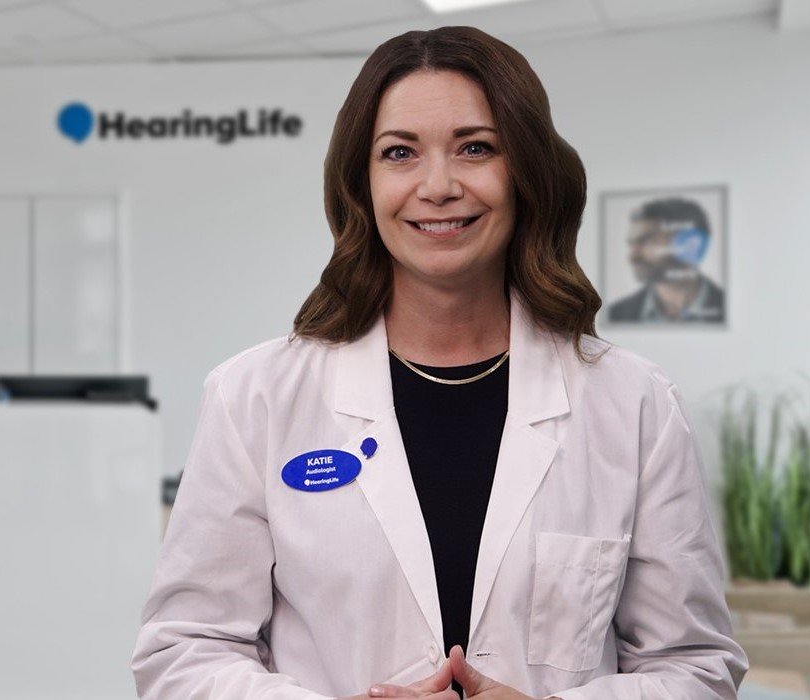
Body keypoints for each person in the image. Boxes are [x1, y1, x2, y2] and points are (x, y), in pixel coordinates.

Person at [131, 26, 747, 700]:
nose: (439, 185)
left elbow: (696, 666)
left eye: (475, 148)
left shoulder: (633, 401)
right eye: (399, 153)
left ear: (527, 173)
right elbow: (184, 653)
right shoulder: (254, 397)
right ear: (361, 184)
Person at [608, 198, 726, 323]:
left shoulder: (732, 309)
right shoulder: (617, 313)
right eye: (632, 244)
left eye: (647, 241)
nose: (632, 258)